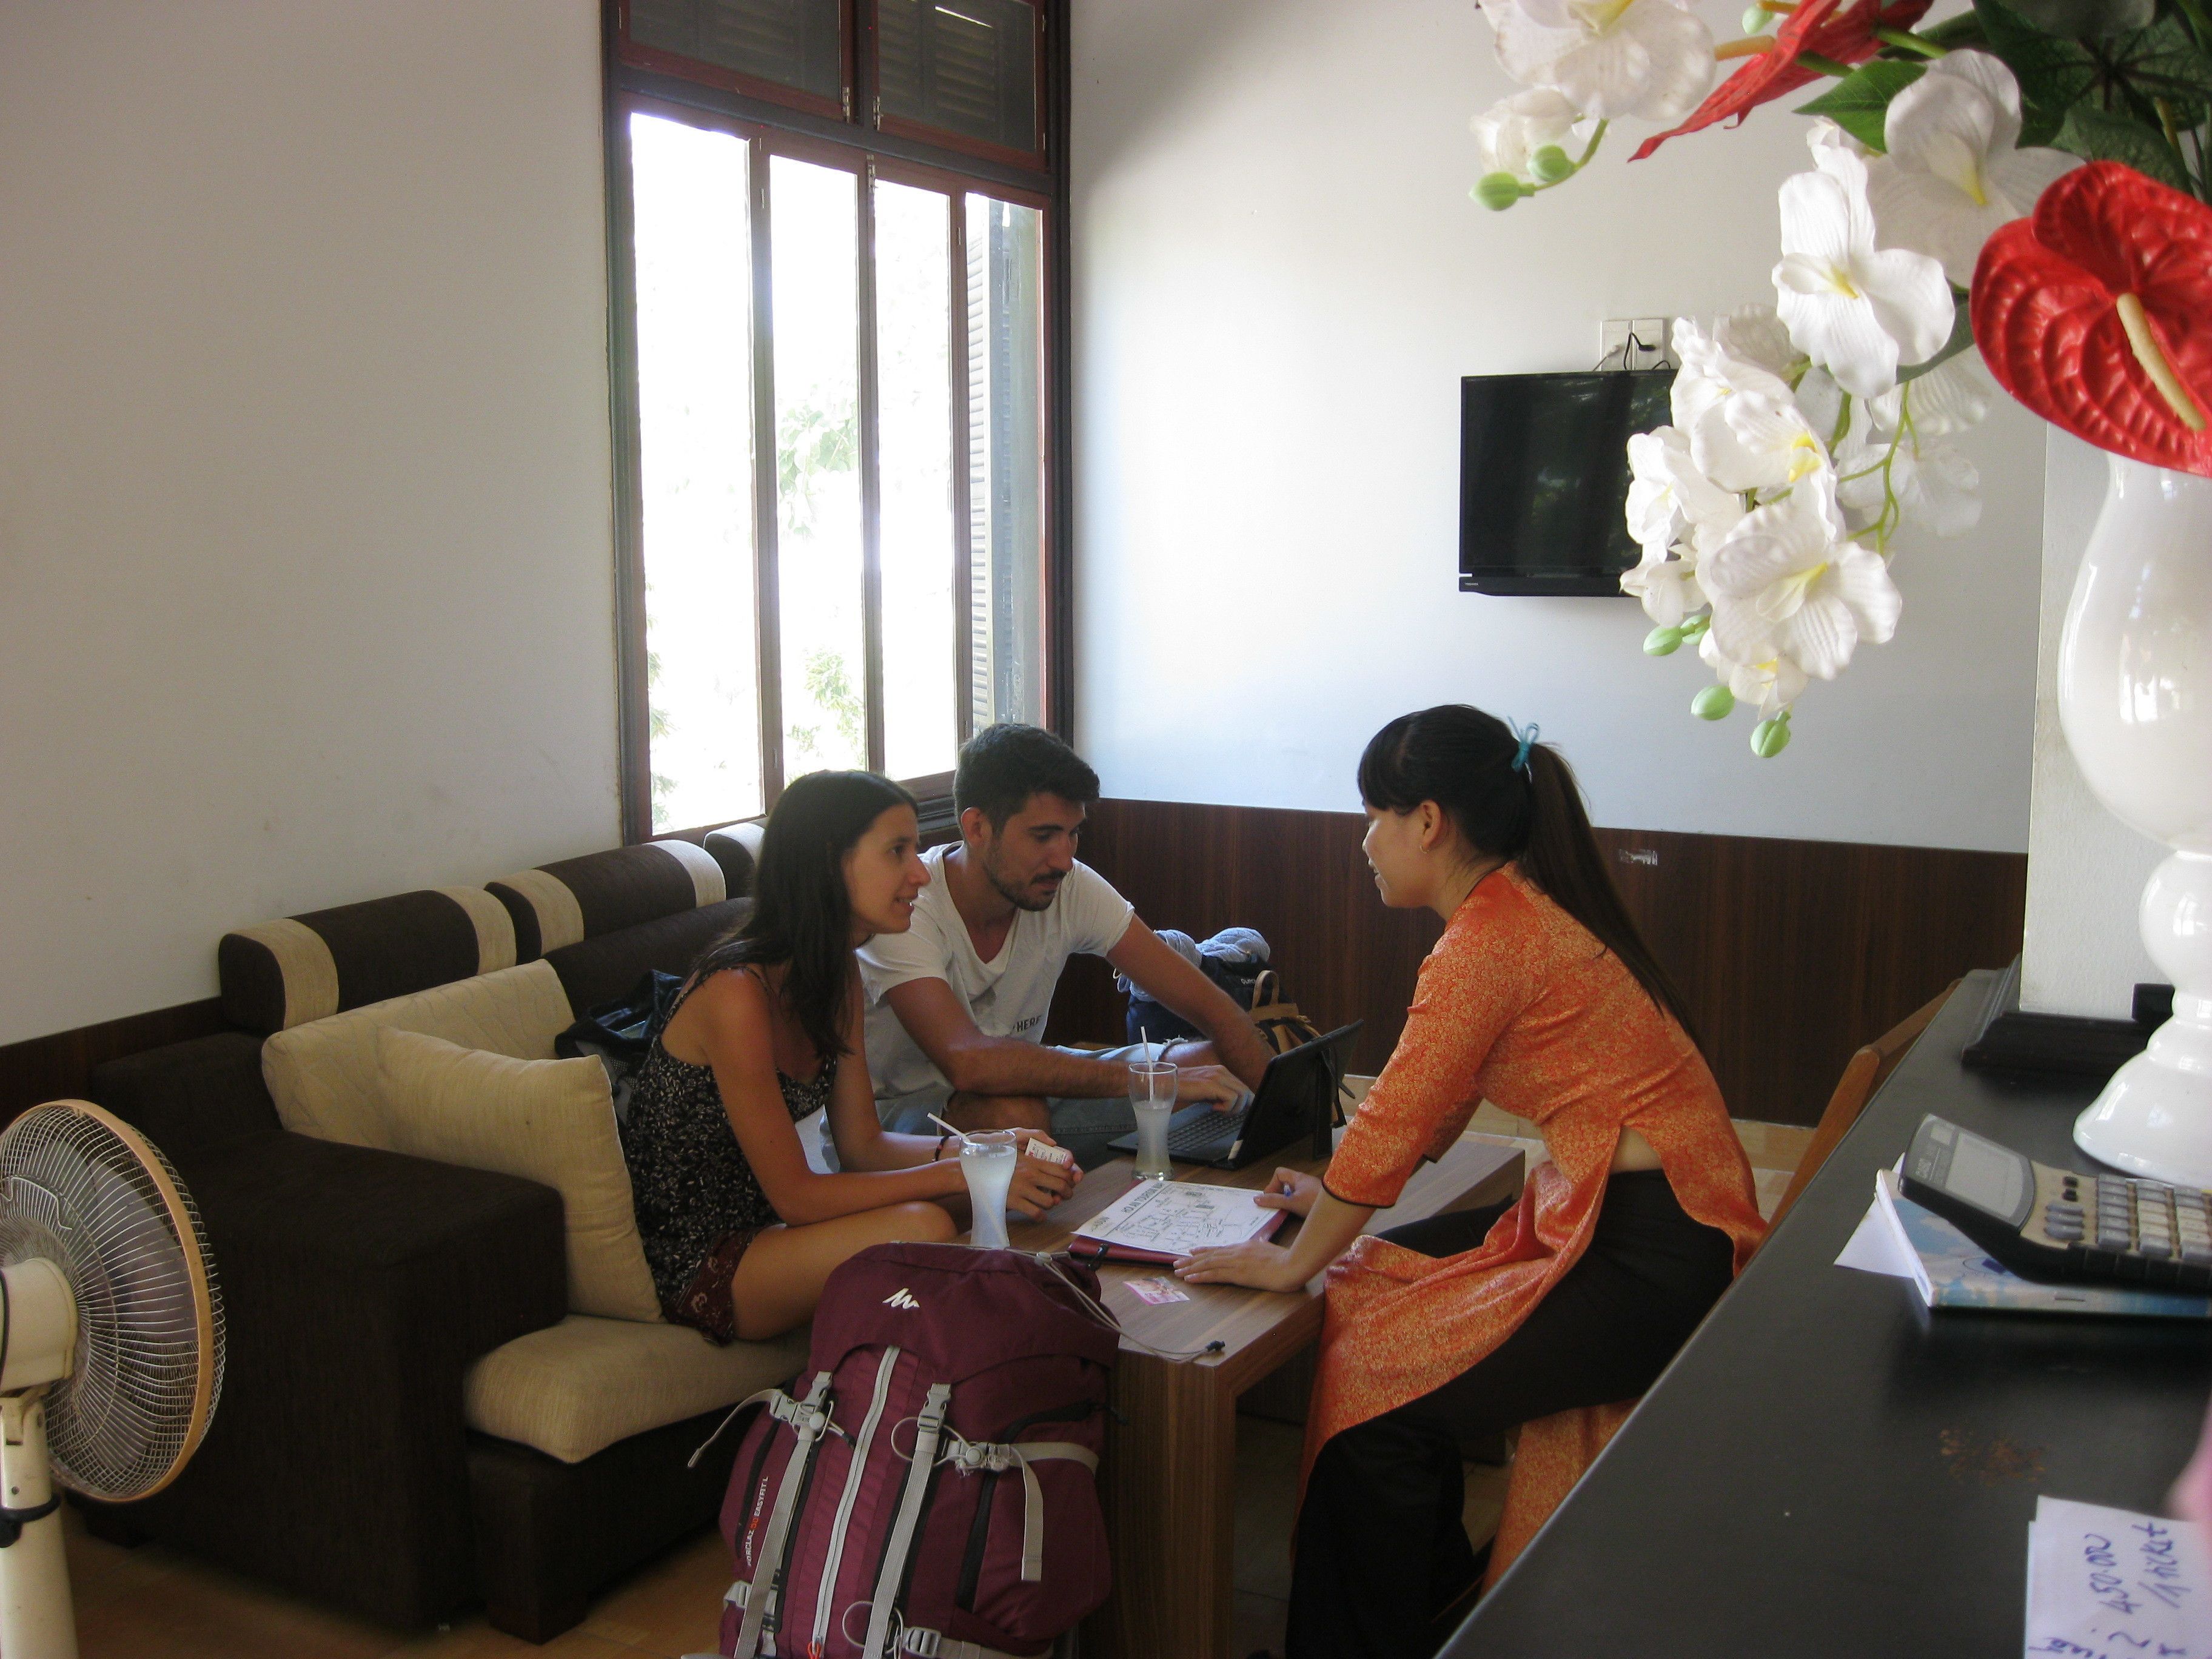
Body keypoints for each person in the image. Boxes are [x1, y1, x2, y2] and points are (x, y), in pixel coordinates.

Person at [1174, 706, 1767, 1659]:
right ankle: (1427, 1589)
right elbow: (1427, 1111)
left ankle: (1369, 1637)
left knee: (1375, 1385)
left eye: (1374, 816)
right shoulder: (1515, 910)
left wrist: (1290, 1263)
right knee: (1372, 1280)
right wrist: (1332, 1205)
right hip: (1644, 1221)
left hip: (1649, 1259)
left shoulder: (1489, 939)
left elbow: (1398, 1123)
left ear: (1429, 822)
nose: (1363, 842)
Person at [620, 769, 1077, 1344]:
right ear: (830, 863)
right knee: (928, 1222)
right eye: (896, 851)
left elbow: (864, 1147)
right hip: (706, 1261)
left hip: (773, 1231)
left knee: (979, 1190)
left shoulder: (837, 974)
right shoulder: (735, 993)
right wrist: (963, 1168)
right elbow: (797, 1195)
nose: (919, 874)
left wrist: (986, 1148)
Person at [856, 723, 1278, 1163]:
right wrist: (1150, 1082)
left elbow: (1216, 1012)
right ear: (977, 828)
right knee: (1013, 1118)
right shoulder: (907, 904)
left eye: (1073, 833)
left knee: (1214, 1066)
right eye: (1043, 836)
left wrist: (1304, 1135)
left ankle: (1082, 1167)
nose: (1064, 858)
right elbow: (969, 1063)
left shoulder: (1068, 885)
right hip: (904, 1117)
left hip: (1020, 1089)